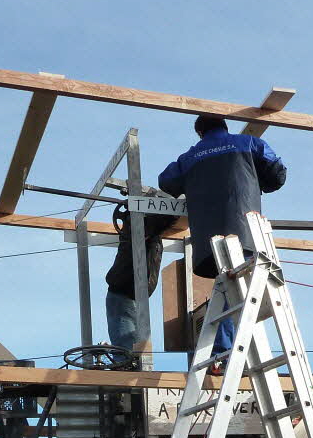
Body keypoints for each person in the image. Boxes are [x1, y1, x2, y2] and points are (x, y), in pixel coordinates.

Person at [159, 114, 286, 360]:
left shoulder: (190, 157)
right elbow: (278, 175)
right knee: (248, 293)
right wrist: (255, 179)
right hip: (247, 233)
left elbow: (166, 181)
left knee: (228, 291)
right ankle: (245, 354)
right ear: (225, 126)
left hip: (210, 245)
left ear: (199, 133)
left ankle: (223, 353)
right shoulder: (249, 143)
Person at [103, 200, 178, 353]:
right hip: (123, 295)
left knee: (134, 349)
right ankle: (127, 367)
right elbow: (167, 218)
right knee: (129, 350)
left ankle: (130, 367)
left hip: (130, 296)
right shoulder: (136, 224)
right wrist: (181, 202)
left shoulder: (144, 231)